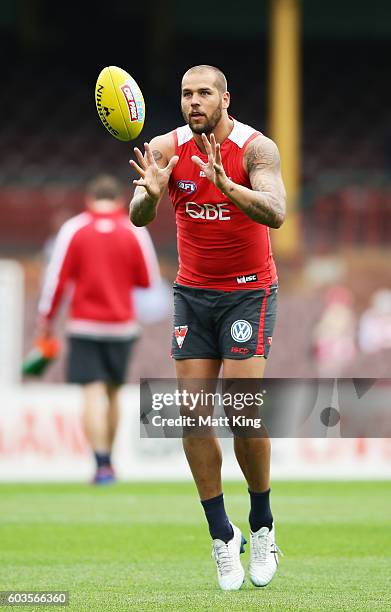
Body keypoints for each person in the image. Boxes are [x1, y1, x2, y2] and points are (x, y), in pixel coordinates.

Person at [129, 65, 286, 590]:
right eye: (186, 94)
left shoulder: (256, 149)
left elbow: (276, 212)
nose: (194, 102)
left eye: (204, 93)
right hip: (193, 294)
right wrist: (151, 193)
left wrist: (226, 186)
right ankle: (223, 537)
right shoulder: (166, 148)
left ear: (225, 98)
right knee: (194, 419)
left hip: (248, 291)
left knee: (243, 415)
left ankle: (261, 524)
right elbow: (137, 214)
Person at [37, 175, 160, 484]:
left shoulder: (74, 229)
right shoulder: (134, 230)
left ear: (90, 199)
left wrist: (46, 320)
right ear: (119, 200)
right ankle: (112, 461)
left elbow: (57, 281)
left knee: (91, 391)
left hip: (85, 325)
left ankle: (101, 463)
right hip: (121, 326)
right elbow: (148, 279)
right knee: (113, 393)